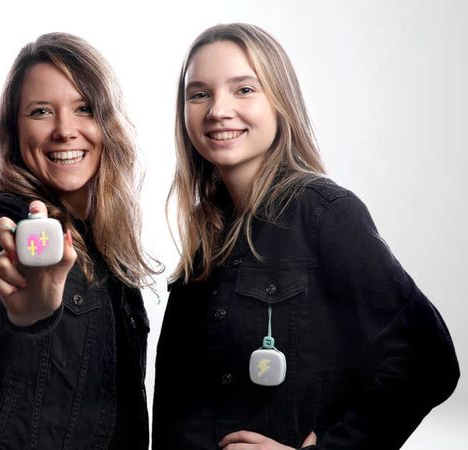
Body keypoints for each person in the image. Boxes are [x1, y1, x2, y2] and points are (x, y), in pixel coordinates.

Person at [152, 23, 459, 450]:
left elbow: (429, 361)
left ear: (280, 102)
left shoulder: (324, 213)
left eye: (243, 89)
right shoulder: (205, 235)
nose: (218, 110)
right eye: (199, 93)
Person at [0, 32, 159, 449]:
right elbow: (1, 270)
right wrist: (31, 309)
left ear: (108, 124)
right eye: (41, 111)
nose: (65, 130)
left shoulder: (112, 255)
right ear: (13, 129)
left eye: (84, 109)